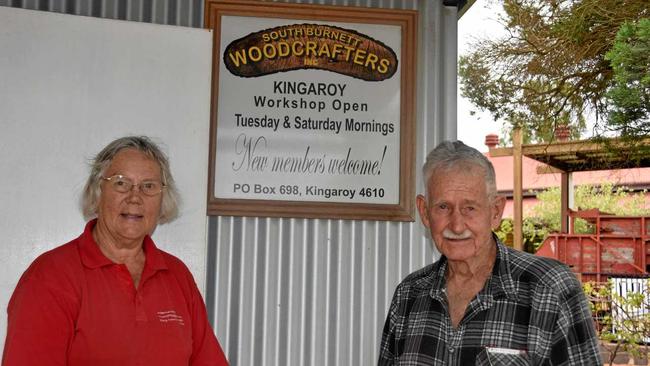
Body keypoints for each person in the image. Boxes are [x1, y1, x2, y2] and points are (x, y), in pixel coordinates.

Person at [2, 136, 229, 366]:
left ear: (162, 199)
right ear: (98, 191)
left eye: (149, 186)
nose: (135, 197)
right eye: (121, 183)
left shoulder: (177, 275)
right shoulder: (51, 276)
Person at [378, 140, 601, 365]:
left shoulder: (550, 289)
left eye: (470, 208)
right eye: (443, 207)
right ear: (425, 213)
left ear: (495, 211)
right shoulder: (408, 295)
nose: (456, 225)